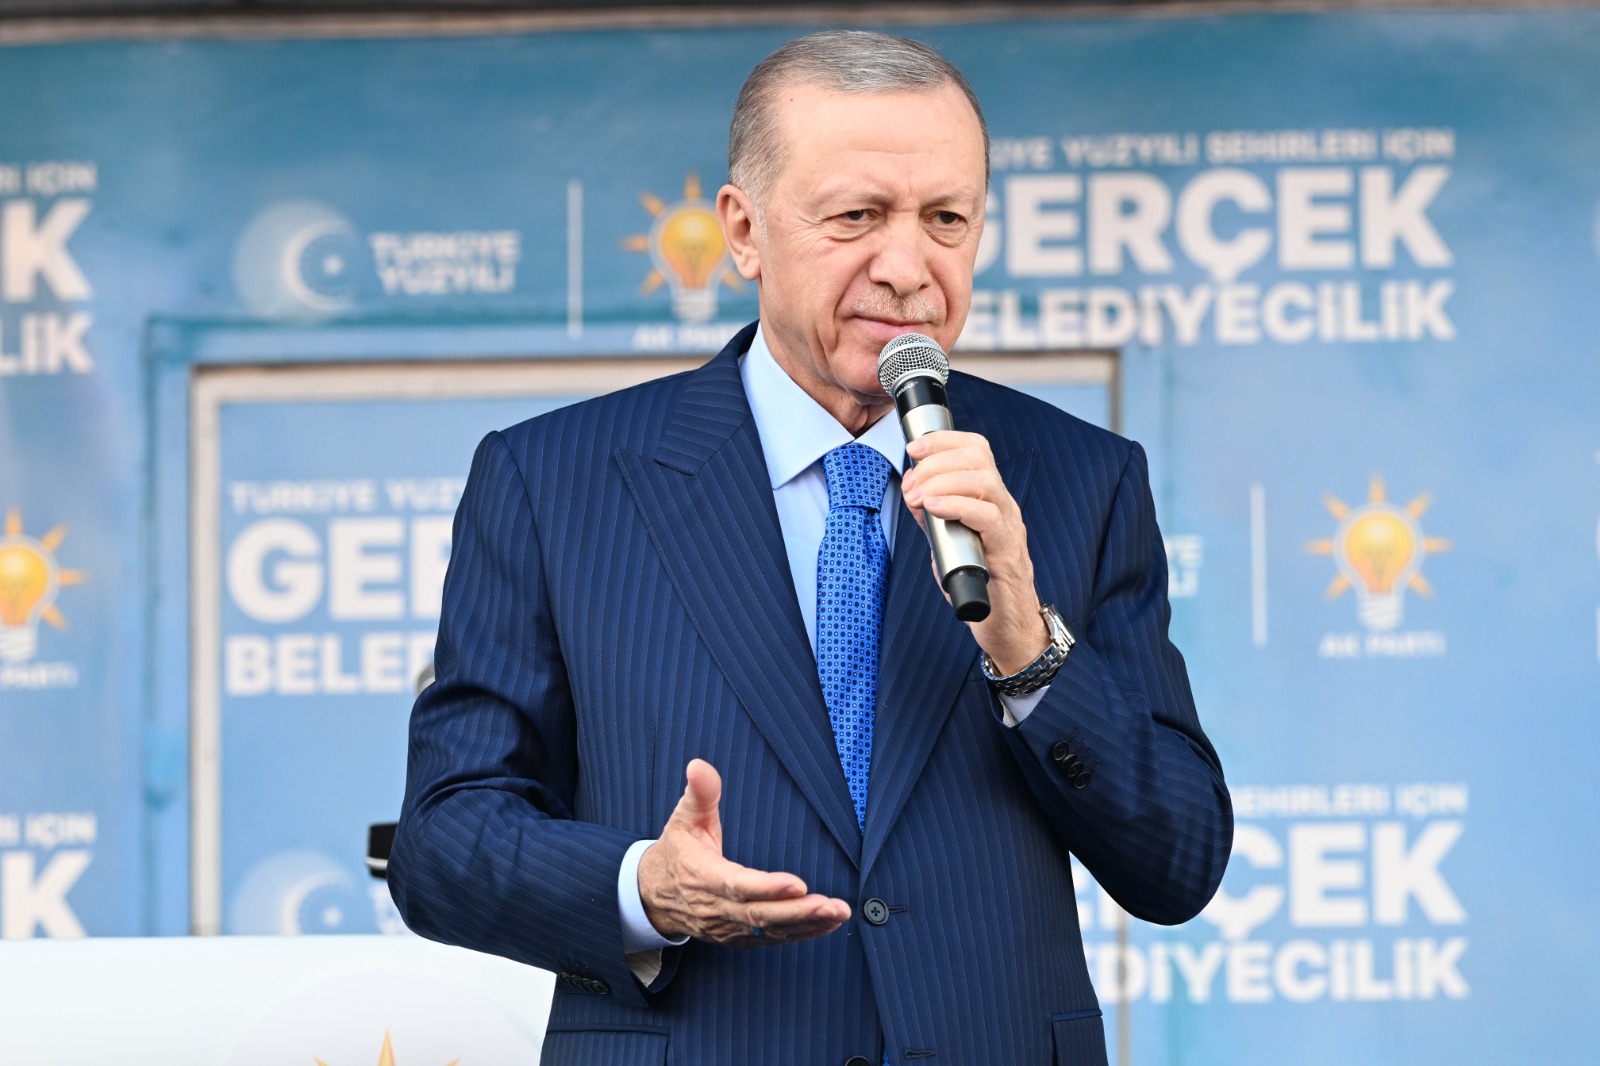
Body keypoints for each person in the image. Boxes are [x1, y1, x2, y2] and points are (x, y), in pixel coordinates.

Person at [389, 30, 1231, 1066]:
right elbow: (444, 840)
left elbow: (1179, 862)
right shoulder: (551, 479)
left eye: (947, 219)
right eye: (856, 216)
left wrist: (1029, 648)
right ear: (744, 231)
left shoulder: (1080, 479)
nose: (908, 268)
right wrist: (644, 888)